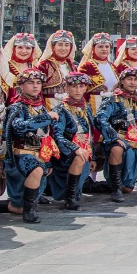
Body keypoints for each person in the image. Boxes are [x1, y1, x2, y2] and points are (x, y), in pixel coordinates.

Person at [0, 68, 56, 223]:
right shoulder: (17, 107)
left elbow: (45, 135)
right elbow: (19, 128)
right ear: (21, 86)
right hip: (22, 154)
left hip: (40, 153)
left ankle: (22, 207)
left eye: (38, 83)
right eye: (30, 82)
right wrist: (45, 118)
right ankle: (29, 211)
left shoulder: (40, 106)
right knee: (36, 170)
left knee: (18, 206)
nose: (35, 86)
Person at [96, 68, 137, 200]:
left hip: (135, 142)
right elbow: (100, 119)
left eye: (135, 80)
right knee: (117, 149)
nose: (132, 82)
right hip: (117, 140)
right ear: (122, 81)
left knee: (128, 189)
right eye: (129, 79)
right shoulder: (112, 99)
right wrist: (113, 137)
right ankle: (115, 188)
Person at [49, 72, 96, 207]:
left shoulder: (86, 108)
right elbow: (57, 136)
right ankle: (69, 199)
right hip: (66, 153)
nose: (77, 90)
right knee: (80, 157)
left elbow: (90, 133)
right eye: (73, 86)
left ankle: (74, 194)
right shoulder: (60, 110)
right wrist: (75, 148)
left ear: (86, 88)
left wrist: (92, 156)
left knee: (83, 157)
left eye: (81, 86)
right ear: (66, 88)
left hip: (84, 149)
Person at [38, 29, 77, 100]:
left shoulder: (72, 67)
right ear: (53, 47)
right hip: (49, 107)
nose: (63, 48)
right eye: (60, 45)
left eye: (67, 45)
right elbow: (37, 91)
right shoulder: (44, 65)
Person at [79, 32, 119, 100]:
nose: (104, 49)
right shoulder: (86, 66)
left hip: (113, 105)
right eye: (100, 46)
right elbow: (80, 89)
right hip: (94, 105)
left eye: (107, 46)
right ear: (93, 48)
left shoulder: (113, 66)